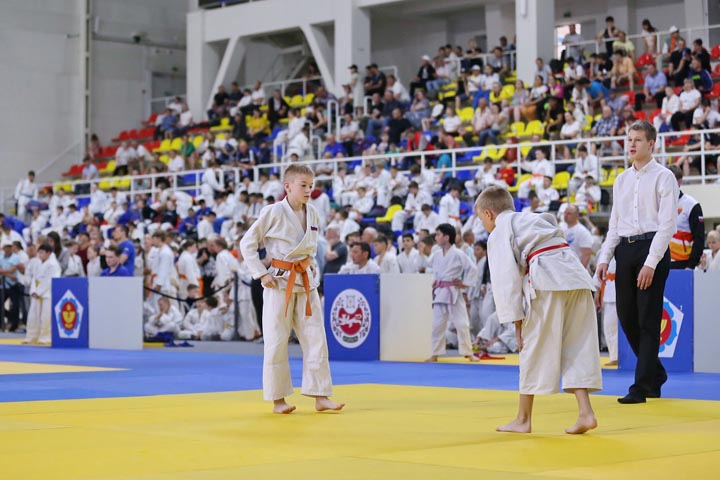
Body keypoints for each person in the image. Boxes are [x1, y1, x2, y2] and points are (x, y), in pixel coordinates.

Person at [476, 185, 601, 434]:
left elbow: (506, 282)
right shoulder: (533, 218)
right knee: (576, 345)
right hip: (575, 275)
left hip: (548, 279)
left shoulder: (500, 231)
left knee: (531, 347)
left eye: (481, 220)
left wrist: (518, 325)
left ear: (489, 214)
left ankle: (523, 419)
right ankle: (586, 413)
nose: (484, 225)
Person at [240, 164, 344, 414]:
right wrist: (261, 273)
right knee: (276, 341)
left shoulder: (314, 213)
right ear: (287, 186)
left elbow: (310, 250)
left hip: (306, 282)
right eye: (303, 185)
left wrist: (313, 274)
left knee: (316, 339)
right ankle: (278, 400)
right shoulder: (273, 211)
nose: (309, 190)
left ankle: (320, 396)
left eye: (311, 185)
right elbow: (247, 243)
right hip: (279, 283)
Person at [597, 121, 678, 404]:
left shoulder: (664, 177)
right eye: (629, 139)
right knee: (626, 315)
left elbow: (668, 224)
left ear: (651, 144)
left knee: (647, 319)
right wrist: (605, 257)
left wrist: (651, 262)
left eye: (638, 140)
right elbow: (614, 225)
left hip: (651, 247)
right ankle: (655, 374)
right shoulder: (621, 180)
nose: (632, 144)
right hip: (625, 250)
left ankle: (642, 386)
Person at [426, 224, 479, 363]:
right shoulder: (436, 254)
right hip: (440, 292)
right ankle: (435, 353)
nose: (436, 237)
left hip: (454, 292)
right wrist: (433, 281)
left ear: (446, 237)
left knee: (462, 323)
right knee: (437, 324)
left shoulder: (459, 254)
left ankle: (468, 352)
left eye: (438, 234)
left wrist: (465, 283)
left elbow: (472, 269)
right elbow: (429, 268)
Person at [666, 165, 704, 270]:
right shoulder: (658, 203)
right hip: (662, 264)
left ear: (679, 182)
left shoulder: (691, 205)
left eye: (670, 180)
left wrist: (691, 265)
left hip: (683, 263)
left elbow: (699, 238)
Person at [23, 243, 61, 345]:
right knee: (32, 316)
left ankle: (45, 337)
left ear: (48, 253)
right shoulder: (38, 263)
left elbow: (50, 280)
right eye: (39, 252)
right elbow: (34, 278)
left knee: (46, 317)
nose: (39, 255)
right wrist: (33, 291)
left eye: (42, 253)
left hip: (47, 293)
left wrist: (39, 291)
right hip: (36, 292)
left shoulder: (53, 264)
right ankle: (31, 336)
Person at [594, 258, 618, 366]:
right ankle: (614, 356)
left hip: (625, 288)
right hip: (609, 291)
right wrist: (597, 290)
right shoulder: (605, 249)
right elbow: (599, 272)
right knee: (609, 327)